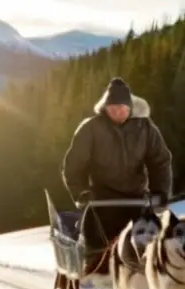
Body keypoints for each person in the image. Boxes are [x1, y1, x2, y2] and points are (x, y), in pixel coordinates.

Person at [61, 77, 173, 272]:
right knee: (97, 235)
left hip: (136, 197)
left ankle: (146, 271)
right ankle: (96, 269)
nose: (118, 113)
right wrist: (80, 192)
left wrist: (160, 191)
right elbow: (74, 165)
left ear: (130, 108)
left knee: (149, 234)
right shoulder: (91, 128)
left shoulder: (145, 128)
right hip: (101, 199)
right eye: (113, 109)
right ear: (105, 108)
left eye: (122, 109)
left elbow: (160, 161)